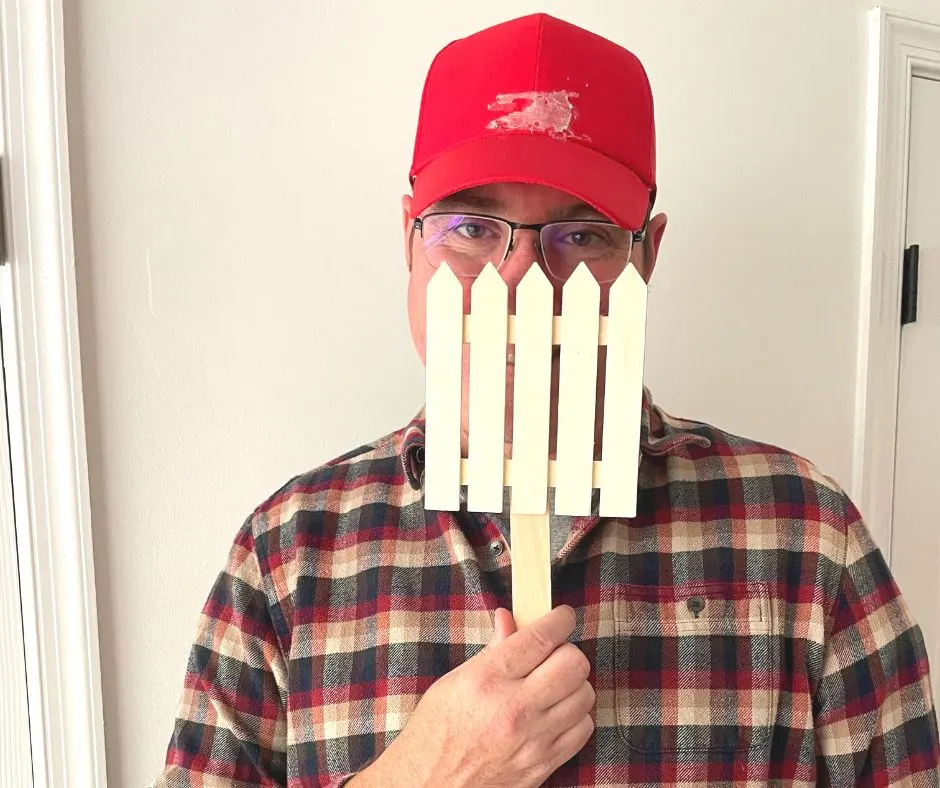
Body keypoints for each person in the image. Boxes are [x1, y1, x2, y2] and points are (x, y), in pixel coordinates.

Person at [154, 13, 940, 788]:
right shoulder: (287, 558)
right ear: (408, 240)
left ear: (648, 255)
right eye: (470, 228)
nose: (521, 281)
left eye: (583, 234)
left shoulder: (809, 542)